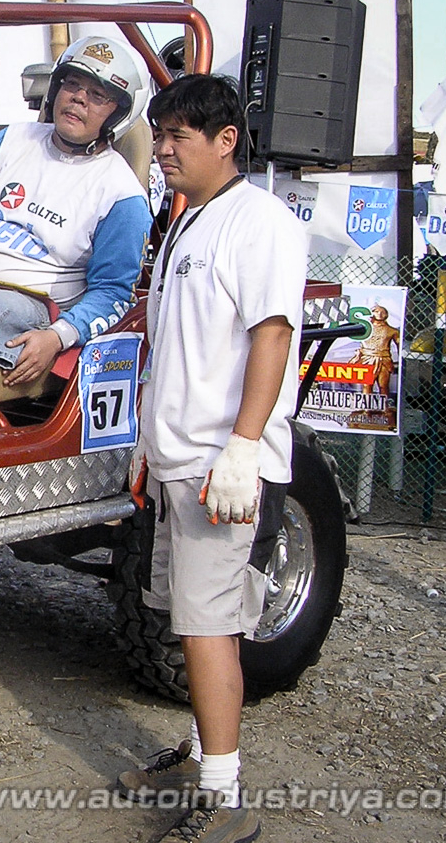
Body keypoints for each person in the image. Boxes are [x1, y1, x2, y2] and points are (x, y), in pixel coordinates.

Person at [121, 74, 306, 843]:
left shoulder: (257, 221)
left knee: (206, 626)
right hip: (177, 457)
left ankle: (225, 802)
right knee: (200, 621)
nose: (162, 150)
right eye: (159, 135)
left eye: (178, 137)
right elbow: (175, 348)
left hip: (216, 466)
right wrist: (143, 442)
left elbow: (272, 333)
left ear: (226, 140)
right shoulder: (189, 220)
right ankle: (204, 757)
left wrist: (241, 448)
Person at [0, 35, 152, 403]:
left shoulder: (122, 195)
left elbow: (113, 292)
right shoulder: (12, 139)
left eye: (98, 95)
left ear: (118, 113)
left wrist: (58, 336)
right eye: (72, 84)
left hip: (33, 304)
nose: (79, 98)